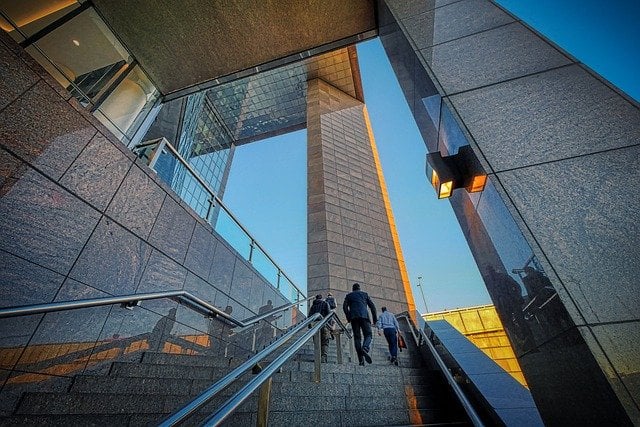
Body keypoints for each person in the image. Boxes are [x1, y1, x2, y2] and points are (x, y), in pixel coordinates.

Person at [343, 283, 377, 366]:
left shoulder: (349, 296)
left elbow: (344, 307)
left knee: (357, 338)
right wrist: (375, 319)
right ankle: (365, 347)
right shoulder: (364, 294)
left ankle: (361, 361)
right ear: (359, 288)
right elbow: (372, 307)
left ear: (353, 289)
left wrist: (348, 317)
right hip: (364, 316)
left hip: (354, 318)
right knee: (368, 334)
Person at [308, 294, 331, 362]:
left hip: (315, 326)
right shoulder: (325, 303)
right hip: (324, 324)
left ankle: (317, 357)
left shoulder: (313, 306)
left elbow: (310, 316)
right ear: (321, 298)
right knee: (325, 341)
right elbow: (329, 314)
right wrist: (330, 326)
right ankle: (323, 357)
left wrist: (309, 325)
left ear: (316, 298)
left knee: (317, 342)